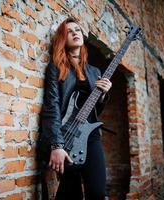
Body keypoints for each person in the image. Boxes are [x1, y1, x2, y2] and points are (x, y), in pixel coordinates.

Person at [37, 17, 112, 199]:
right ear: (63, 38)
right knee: (71, 193)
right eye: (69, 31)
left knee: (97, 192)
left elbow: (96, 110)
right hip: (66, 133)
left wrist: (103, 94)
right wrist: (56, 144)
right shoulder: (56, 68)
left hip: (91, 135)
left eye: (77, 29)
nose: (75, 33)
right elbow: (52, 106)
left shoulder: (95, 71)